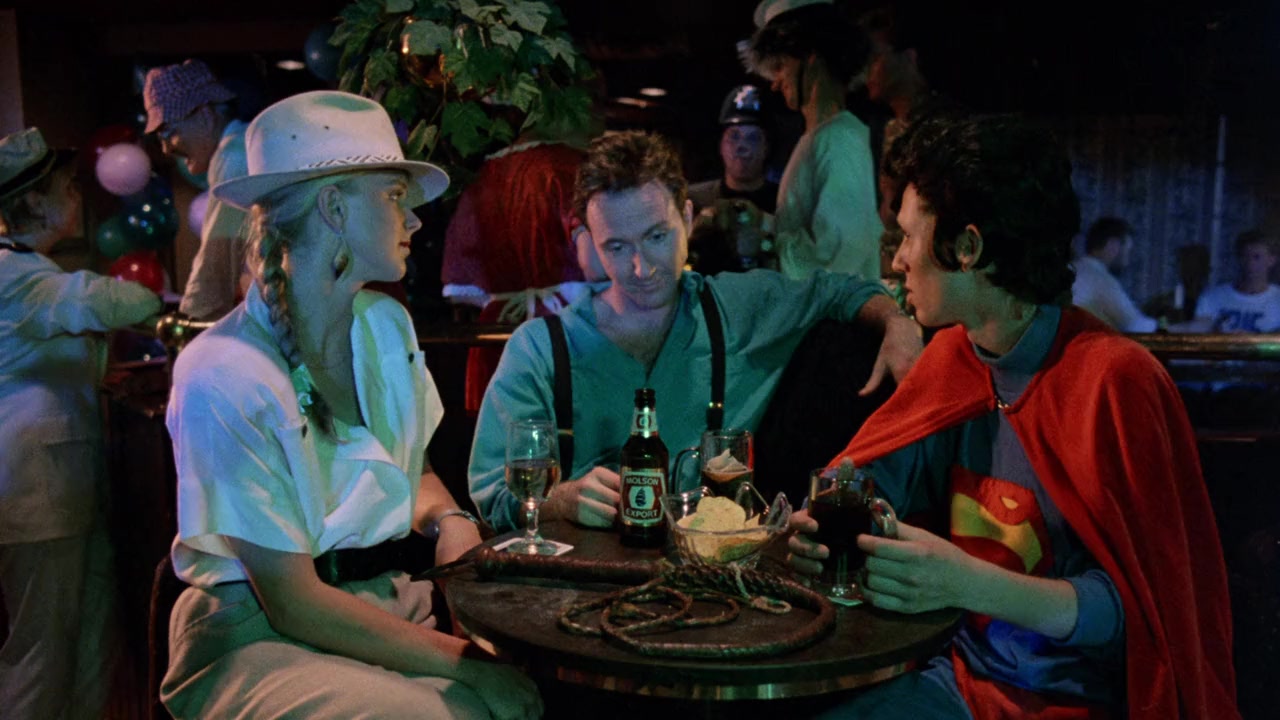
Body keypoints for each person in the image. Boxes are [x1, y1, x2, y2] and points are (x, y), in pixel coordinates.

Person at [787, 112, 1238, 718]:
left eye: (910, 237)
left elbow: (1145, 608)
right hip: (961, 685)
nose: (897, 261)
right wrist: (821, 527)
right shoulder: (953, 357)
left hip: (1082, 704)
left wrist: (967, 583)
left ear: (968, 248)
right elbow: (867, 481)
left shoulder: (1116, 380)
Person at [160, 90, 541, 720]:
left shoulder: (386, 326)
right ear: (334, 207)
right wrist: (467, 664)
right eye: (394, 197)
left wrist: (450, 520)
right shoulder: (222, 372)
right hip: (258, 637)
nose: (415, 221)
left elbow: (411, 471)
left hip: (386, 606)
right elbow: (293, 603)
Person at [469, 129, 922, 533]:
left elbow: (840, 291)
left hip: (711, 574)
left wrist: (896, 322)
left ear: (686, 219)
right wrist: (559, 501)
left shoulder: (739, 307)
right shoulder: (540, 349)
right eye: (617, 247)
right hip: (583, 580)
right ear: (586, 243)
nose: (641, 267)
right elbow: (493, 494)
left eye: (657, 237)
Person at [0, 127, 163, 719]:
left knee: (90, 647)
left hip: (65, 489)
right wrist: (160, 302)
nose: (78, 196)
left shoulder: (29, 270)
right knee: (42, 655)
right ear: (33, 202)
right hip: (38, 492)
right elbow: (108, 301)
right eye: (66, 187)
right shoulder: (19, 275)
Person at [441, 129, 603, 416]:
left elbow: (460, 288)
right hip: (565, 331)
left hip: (498, 334)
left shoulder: (484, 176)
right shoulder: (572, 168)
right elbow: (596, 264)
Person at [750, 0, 884, 281]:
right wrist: (761, 223)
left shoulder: (839, 140)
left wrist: (770, 240)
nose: (775, 82)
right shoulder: (822, 137)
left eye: (780, 66)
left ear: (810, 60)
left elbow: (834, 262)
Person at [144, 58, 250, 321]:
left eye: (168, 132)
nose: (166, 149)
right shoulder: (244, 145)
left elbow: (215, 267)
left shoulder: (233, 157)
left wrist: (190, 324)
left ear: (204, 116)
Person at [686, 84, 779, 274]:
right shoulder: (693, 200)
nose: (742, 146)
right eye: (734, 136)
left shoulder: (784, 203)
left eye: (753, 138)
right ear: (721, 145)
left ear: (766, 147)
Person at [1070, 216, 1160, 332]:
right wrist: (1163, 325)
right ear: (1113, 245)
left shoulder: (1074, 269)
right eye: (1127, 250)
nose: (1127, 260)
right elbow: (1134, 324)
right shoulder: (1099, 278)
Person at [1187, 229, 1280, 333]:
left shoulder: (1277, 300)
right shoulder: (1212, 298)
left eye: (1256, 257)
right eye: (1244, 256)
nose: (1250, 263)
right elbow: (1197, 332)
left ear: (1272, 260)